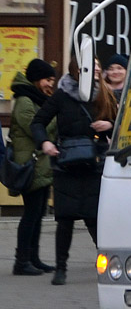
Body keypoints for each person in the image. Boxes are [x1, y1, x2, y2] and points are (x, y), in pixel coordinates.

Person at [31, 59, 118, 285]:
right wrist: (45, 144)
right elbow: (38, 122)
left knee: (94, 219)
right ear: (77, 71)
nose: (98, 69)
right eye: (92, 65)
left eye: (99, 65)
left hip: (94, 162)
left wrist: (109, 125)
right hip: (66, 164)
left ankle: (111, 266)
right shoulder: (62, 95)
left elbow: (123, 122)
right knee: (65, 219)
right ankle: (61, 268)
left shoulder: (105, 94)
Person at [9, 59, 58, 276]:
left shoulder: (36, 98)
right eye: (48, 80)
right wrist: (55, 117)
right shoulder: (24, 100)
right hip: (30, 164)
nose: (50, 84)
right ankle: (21, 262)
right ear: (37, 79)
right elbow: (36, 129)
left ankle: (34, 258)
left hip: (39, 164)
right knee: (30, 214)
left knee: (38, 213)